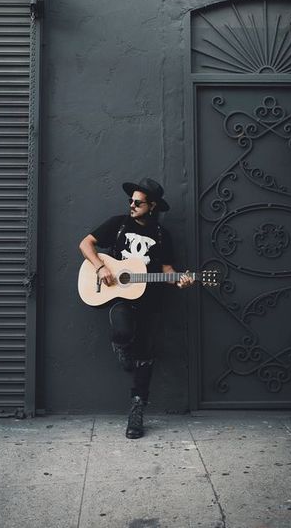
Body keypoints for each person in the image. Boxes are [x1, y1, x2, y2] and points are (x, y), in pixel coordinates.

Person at [79, 177, 193, 439]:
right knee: (121, 329)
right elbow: (85, 244)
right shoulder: (118, 224)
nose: (132, 205)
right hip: (120, 298)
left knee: (145, 355)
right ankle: (121, 346)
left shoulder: (163, 235)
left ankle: (137, 410)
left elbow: (167, 270)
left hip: (150, 301)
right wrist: (101, 266)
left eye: (138, 202)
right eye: (130, 201)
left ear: (152, 206)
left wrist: (181, 280)